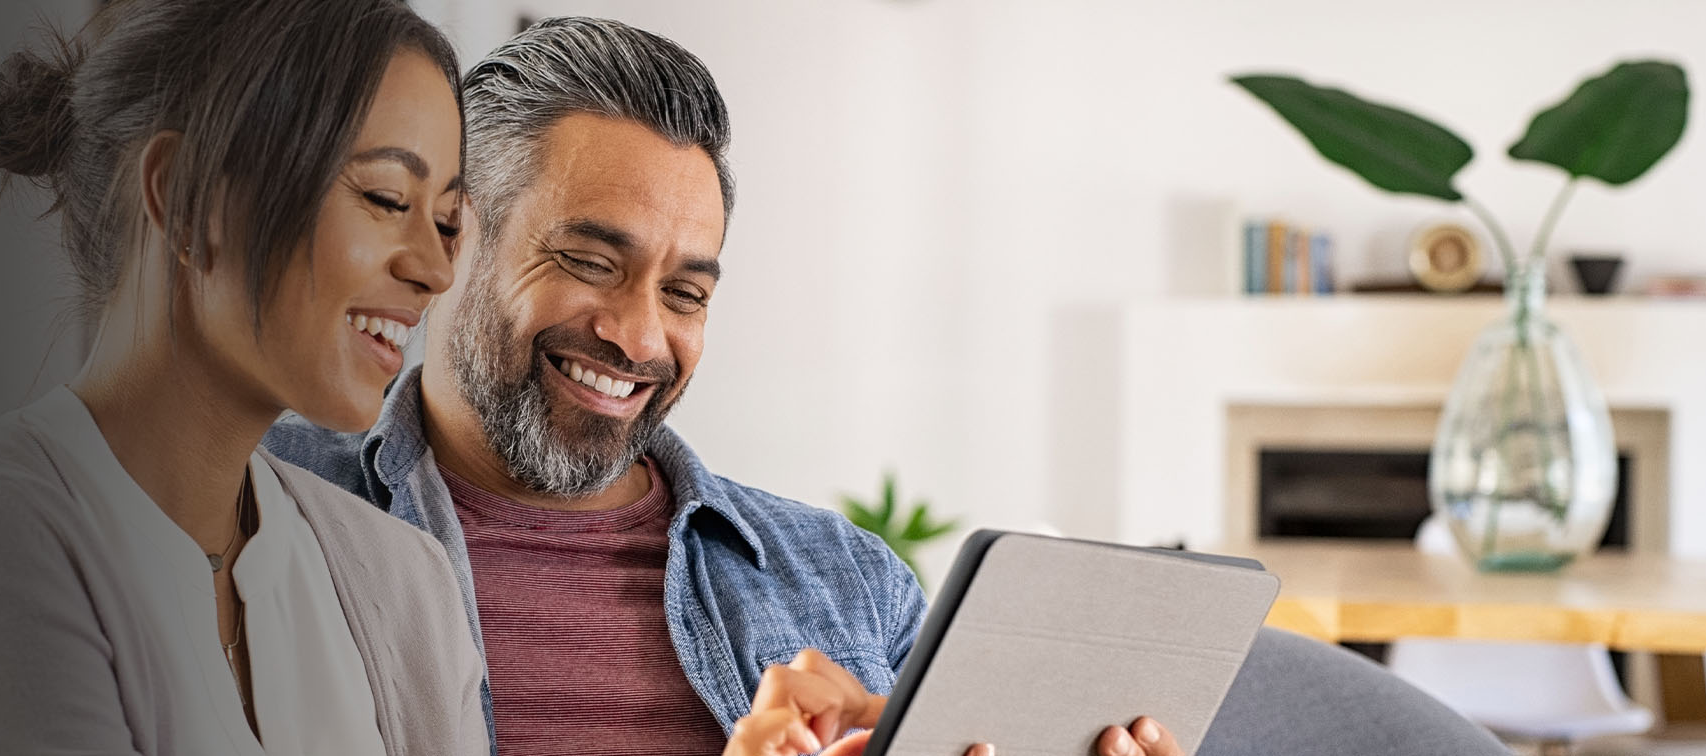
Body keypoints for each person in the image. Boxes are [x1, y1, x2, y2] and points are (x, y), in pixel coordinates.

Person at [266, 16, 1184, 756]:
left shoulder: (851, 586)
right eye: (589, 262)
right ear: (452, 236)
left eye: (685, 293)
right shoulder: (258, 506)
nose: (638, 335)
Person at [0, 0, 484, 752]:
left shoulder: (406, 578)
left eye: (444, 221)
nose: (437, 269)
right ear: (188, 196)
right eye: (386, 199)